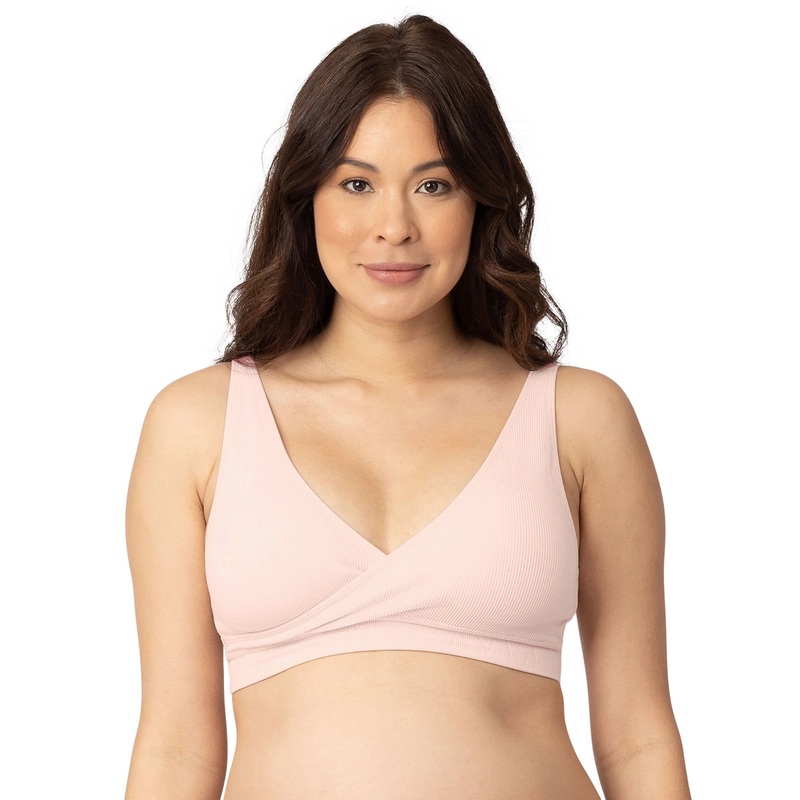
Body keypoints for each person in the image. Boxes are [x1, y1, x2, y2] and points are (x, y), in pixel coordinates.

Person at [124, 15, 691, 800]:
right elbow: (176, 748)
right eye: (357, 184)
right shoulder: (197, 424)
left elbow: (638, 735)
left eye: (434, 184)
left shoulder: (582, 417)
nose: (394, 227)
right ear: (305, 196)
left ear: (480, 199)